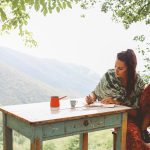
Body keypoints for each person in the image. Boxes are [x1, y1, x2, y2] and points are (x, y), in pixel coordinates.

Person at [85, 49, 150, 149]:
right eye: (115, 66)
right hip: (122, 118)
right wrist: (91, 99)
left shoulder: (137, 81)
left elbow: (139, 108)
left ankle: (144, 128)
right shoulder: (109, 76)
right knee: (133, 136)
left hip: (139, 115)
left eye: (120, 68)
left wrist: (117, 103)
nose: (116, 70)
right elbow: (95, 92)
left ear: (130, 69)